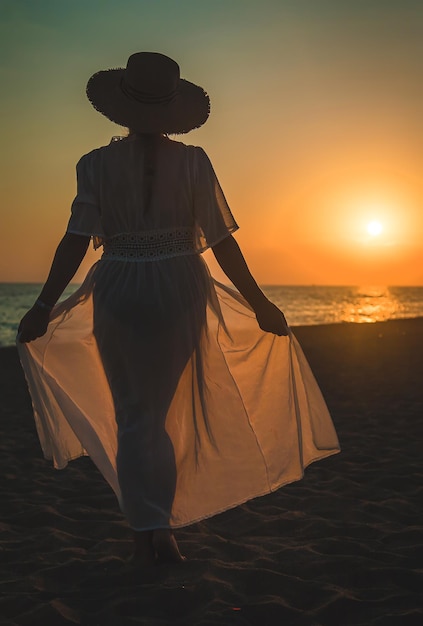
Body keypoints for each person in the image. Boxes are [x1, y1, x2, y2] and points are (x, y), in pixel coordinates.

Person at [18, 52, 340, 566]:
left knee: (133, 415)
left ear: (121, 107)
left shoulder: (95, 164)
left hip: (120, 285)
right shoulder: (194, 162)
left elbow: (76, 240)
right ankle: (158, 526)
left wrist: (41, 306)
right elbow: (222, 242)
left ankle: (145, 528)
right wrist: (258, 302)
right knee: (158, 412)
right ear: (170, 109)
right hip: (180, 284)